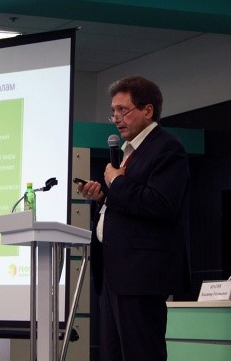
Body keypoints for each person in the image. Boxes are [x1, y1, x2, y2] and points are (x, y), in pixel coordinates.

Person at [78, 76, 191, 361]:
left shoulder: (166, 147)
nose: (116, 118)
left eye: (123, 110)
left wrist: (116, 183)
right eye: (113, 111)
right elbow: (132, 206)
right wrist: (103, 197)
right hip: (115, 274)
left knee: (141, 353)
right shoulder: (129, 152)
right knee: (113, 354)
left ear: (148, 110)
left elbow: (161, 204)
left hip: (141, 276)